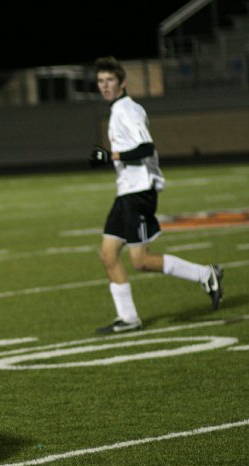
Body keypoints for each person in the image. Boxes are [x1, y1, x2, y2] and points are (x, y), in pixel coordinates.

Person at [90, 56, 223, 334]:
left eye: (109, 80)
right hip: (126, 192)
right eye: (100, 81)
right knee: (108, 254)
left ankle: (205, 274)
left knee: (140, 260)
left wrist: (111, 155)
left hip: (139, 193)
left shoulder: (128, 110)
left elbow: (146, 148)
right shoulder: (117, 111)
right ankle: (128, 318)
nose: (104, 86)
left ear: (122, 82)